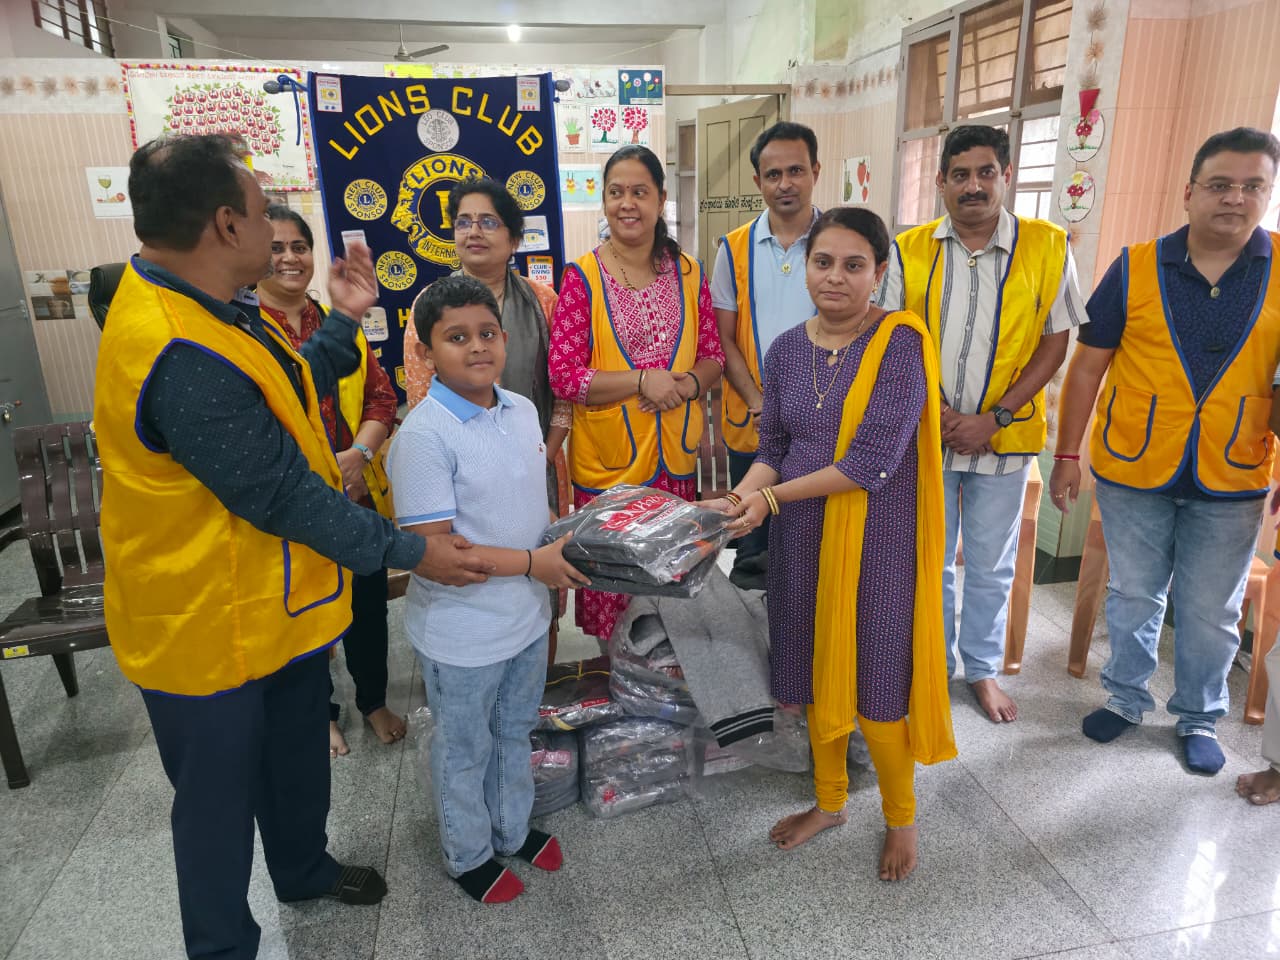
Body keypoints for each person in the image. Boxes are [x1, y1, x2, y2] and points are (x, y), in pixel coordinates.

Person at [93, 134, 493, 960]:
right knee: (215, 808)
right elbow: (281, 494)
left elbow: (287, 384)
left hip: (269, 605)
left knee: (293, 763)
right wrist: (414, 554)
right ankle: (223, 945)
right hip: (205, 627)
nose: (277, 234)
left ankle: (304, 870)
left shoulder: (212, 308)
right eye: (258, 209)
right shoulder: (175, 347)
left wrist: (345, 320)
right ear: (225, 224)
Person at [713, 206, 955, 881]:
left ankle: (902, 819)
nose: (837, 277)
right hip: (802, 539)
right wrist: (740, 501)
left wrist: (768, 498)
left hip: (877, 542)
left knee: (876, 682)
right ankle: (830, 802)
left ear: (880, 272)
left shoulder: (901, 344)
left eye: (855, 265)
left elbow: (870, 464)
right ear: (806, 267)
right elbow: (775, 449)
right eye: (824, 262)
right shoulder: (787, 348)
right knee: (817, 674)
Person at [1051, 126, 1280, 776]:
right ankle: (1125, 699)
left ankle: (1199, 716)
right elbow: (1088, 368)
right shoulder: (1135, 265)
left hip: (1234, 472)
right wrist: (1067, 456)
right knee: (1134, 595)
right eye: (1219, 184)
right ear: (1189, 192)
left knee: (1211, 613)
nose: (1234, 198)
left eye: (1251, 186)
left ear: (1267, 194)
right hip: (1134, 466)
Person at [388, 275, 589, 903]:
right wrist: (535, 563)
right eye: (456, 337)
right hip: (463, 630)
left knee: (514, 730)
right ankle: (467, 854)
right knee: (466, 746)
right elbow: (438, 556)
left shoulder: (522, 409)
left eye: (487, 333)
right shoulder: (423, 436)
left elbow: (525, 506)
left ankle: (511, 828)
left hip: (525, 615)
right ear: (426, 352)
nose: (477, 347)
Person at [877, 124, 1087, 724]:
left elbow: (1056, 339)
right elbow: (892, 341)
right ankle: (932, 665)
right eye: (961, 175)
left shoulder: (1047, 245)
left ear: (1006, 176)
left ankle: (982, 670)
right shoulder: (909, 248)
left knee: (994, 563)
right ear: (940, 181)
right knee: (929, 560)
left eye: (986, 173)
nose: (974, 186)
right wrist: (940, 415)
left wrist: (991, 418)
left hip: (1005, 438)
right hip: (927, 437)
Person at [549, 144, 725, 643]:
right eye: (616, 192)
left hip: (677, 467)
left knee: (674, 596)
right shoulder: (581, 277)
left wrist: (688, 383)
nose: (628, 203)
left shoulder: (689, 273)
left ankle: (669, 703)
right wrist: (641, 379)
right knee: (616, 598)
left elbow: (713, 355)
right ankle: (618, 699)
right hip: (611, 474)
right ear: (603, 201)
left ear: (661, 200)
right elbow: (564, 376)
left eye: (640, 192)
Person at [403, 177, 572, 660]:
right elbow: (422, 397)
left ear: (514, 239)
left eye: (488, 222)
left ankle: (538, 684)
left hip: (541, 459)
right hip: (461, 471)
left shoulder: (544, 302)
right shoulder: (430, 305)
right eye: (463, 222)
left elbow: (562, 391)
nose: (473, 231)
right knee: (474, 571)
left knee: (544, 573)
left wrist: (542, 454)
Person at [256, 204, 405, 757]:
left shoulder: (336, 324)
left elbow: (381, 397)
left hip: (354, 489)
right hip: (289, 503)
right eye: (276, 247)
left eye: (299, 246)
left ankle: (373, 701)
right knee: (305, 607)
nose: (290, 257)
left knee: (367, 602)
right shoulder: (246, 332)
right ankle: (318, 711)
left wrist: (357, 455)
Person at [710, 121, 820, 589]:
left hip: (822, 423)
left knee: (815, 551)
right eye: (772, 174)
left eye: (796, 170)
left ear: (816, 170)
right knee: (753, 550)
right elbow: (723, 339)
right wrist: (760, 401)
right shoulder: (733, 248)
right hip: (752, 424)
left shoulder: (839, 243)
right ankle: (756, 659)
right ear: (757, 181)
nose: (785, 183)